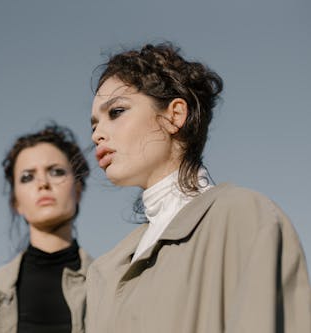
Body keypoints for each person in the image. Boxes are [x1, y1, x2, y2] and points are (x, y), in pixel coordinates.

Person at [86, 42, 311, 332]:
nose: (97, 135)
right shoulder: (103, 272)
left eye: (116, 112)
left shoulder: (243, 217)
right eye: (93, 125)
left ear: (174, 115)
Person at [0, 123, 92, 333]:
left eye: (56, 172)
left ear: (77, 189)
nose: (43, 183)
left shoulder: (111, 285)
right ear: (16, 202)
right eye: (27, 177)